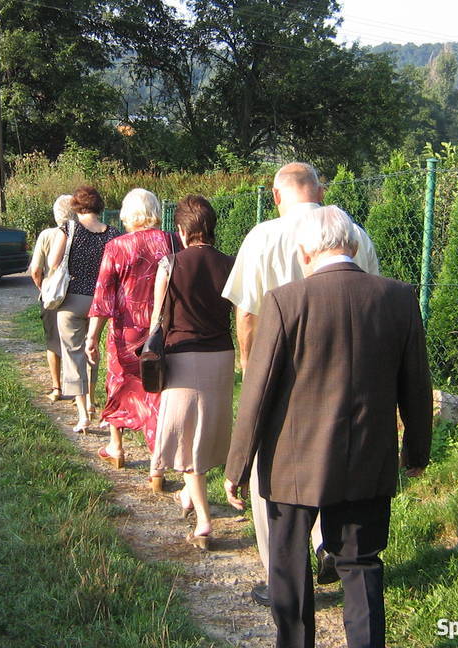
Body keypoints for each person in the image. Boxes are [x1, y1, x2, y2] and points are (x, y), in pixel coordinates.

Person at [223, 206, 433, 648]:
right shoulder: (398, 297)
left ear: (304, 252)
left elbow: (257, 391)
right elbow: (416, 383)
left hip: (293, 463)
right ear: (353, 246)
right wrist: (416, 452)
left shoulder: (285, 300)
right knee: (362, 563)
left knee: (288, 562)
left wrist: (237, 466)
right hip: (368, 456)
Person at [221, 162, 379, 604]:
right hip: (343, 370)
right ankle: (327, 543)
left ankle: (282, 579)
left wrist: (251, 369)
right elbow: (367, 299)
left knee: (271, 471)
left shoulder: (263, 236)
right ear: (321, 191)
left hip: (281, 368)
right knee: (332, 455)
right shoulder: (354, 233)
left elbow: (248, 312)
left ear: (275, 195)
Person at [148, 196, 235, 550]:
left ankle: (203, 522)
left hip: (183, 357)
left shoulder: (170, 264)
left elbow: (157, 316)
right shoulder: (231, 264)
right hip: (221, 356)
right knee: (209, 429)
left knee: (186, 438)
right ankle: (188, 496)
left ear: (182, 231)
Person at [85, 188, 175, 475]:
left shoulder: (117, 246)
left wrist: (91, 337)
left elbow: (103, 297)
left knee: (119, 384)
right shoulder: (173, 242)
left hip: (125, 333)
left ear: (127, 214)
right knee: (159, 389)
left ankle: (116, 447)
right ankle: (157, 466)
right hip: (163, 330)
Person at [48, 186, 120, 432]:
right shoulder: (112, 233)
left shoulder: (68, 229)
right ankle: (91, 402)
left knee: (73, 355)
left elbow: (53, 262)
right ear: (100, 207)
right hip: (100, 302)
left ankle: (82, 414)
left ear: (76, 207)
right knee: (92, 349)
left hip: (71, 300)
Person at [30, 194, 75, 401]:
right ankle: (77, 391)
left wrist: (42, 286)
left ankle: (56, 388)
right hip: (75, 293)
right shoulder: (81, 234)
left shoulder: (46, 235)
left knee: (52, 342)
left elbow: (36, 269)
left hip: (51, 295)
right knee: (76, 343)